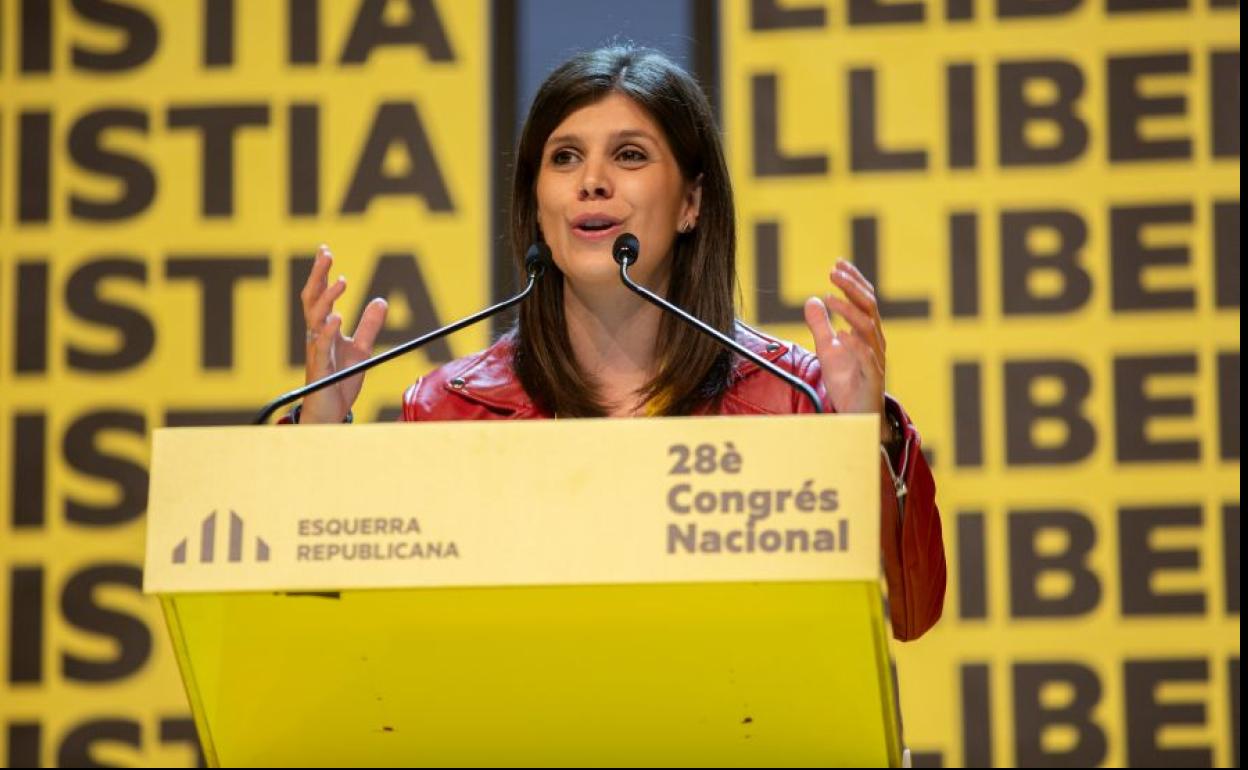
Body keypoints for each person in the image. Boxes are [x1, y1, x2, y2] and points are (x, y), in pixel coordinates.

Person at [292, 46, 945, 641]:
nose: (591, 181)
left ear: (692, 202)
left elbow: (908, 615)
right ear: (538, 205)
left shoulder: (791, 396)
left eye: (629, 155)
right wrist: (320, 433)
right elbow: (354, 641)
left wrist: (864, 436)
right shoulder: (449, 408)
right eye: (564, 157)